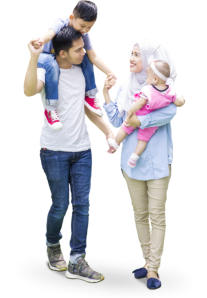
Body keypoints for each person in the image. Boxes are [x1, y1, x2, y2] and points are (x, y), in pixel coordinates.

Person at [24, 25, 107, 283]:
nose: (84, 52)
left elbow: (86, 109)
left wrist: (107, 132)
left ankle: (77, 260)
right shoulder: (50, 71)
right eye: (78, 49)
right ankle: (52, 245)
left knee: (82, 205)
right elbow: (28, 90)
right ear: (61, 54)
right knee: (60, 205)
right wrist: (33, 57)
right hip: (54, 151)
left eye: (83, 47)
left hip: (82, 151)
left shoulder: (83, 72)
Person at [103, 41, 183, 289]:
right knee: (140, 215)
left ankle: (153, 269)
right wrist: (106, 94)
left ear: (149, 62)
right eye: (131, 53)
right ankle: (148, 262)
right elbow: (118, 119)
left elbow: (168, 114)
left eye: (137, 55)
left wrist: (138, 120)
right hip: (132, 165)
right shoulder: (127, 87)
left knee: (157, 216)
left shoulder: (163, 90)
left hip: (158, 163)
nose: (131, 58)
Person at [32, 0, 116, 129]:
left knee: (86, 58)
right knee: (51, 64)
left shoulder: (83, 34)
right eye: (83, 26)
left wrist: (109, 72)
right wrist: (40, 41)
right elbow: (50, 33)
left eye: (89, 27)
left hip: (63, 58)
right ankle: (50, 108)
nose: (85, 30)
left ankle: (90, 96)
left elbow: (93, 56)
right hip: (46, 57)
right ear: (72, 18)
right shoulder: (61, 23)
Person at [107, 59, 185, 168]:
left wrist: (130, 112)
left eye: (148, 75)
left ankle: (115, 143)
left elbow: (140, 103)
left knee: (125, 128)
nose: (146, 77)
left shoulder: (149, 90)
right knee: (143, 139)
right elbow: (178, 102)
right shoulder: (170, 91)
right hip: (152, 124)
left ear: (155, 79)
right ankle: (135, 156)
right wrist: (182, 100)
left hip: (139, 114)